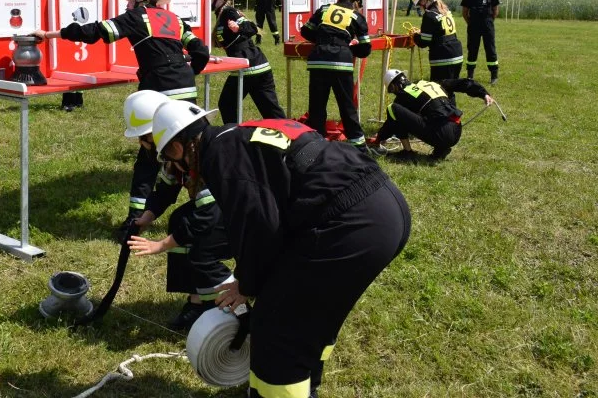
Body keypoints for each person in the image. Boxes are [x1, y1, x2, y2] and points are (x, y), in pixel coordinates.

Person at [151, 102, 411, 398]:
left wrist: (246, 284)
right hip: (383, 205)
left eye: (170, 159)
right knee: (312, 315)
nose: (177, 170)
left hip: (350, 223)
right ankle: (303, 383)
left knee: (276, 329)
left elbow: (258, 225)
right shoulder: (238, 134)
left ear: (176, 148)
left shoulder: (219, 157)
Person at [32, 0, 210, 239]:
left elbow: (92, 32)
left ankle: (133, 223)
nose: (126, 4)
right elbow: (201, 51)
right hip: (186, 89)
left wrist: (48, 34)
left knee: (149, 157)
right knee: (191, 148)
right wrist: (188, 73)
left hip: (159, 91)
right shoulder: (174, 19)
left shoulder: (136, 17)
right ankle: (207, 207)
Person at [122, 92, 233, 329]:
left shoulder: (202, 154)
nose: (142, 145)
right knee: (180, 219)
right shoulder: (179, 152)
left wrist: (161, 245)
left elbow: (207, 216)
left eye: (143, 137)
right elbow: (165, 189)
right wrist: (147, 216)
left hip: (243, 214)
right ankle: (198, 301)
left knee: (202, 249)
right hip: (226, 209)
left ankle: (228, 304)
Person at [200, 0, 285, 123]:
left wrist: (238, 27)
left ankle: (234, 137)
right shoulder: (221, 14)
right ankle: (291, 137)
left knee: (227, 104)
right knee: (271, 112)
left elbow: (251, 27)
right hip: (255, 66)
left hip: (248, 67)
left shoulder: (229, 12)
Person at [299, 0, 372, 150]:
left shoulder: (324, 9)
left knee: (317, 107)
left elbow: (305, 31)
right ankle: (358, 147)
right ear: (355, 2)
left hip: (318, 60)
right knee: (346, 106)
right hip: (341, 63)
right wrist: (348, 47)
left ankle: (316, 146)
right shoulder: (356, 16)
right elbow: (366, 48)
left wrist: (321, 40)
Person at [368, 69, 495, 161]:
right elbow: (462, 83)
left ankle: (408, 152)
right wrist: (483, 93)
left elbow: (392, 122)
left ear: (394, 87)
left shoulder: (402, 97)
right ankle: (441, 149)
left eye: (392, 90)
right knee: (433, 117)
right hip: (456, 130)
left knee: (392, 109)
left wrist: (379, 138)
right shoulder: (432, 84)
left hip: (441, 133)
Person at [410, 0, 464, 100]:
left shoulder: (429, 15)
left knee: (439, 93)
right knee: (450, 91)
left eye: (419, 3)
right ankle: (453, 117)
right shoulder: (444, 9)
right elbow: (440, 31)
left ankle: (446, 117)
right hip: (456, 54)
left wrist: (414, 36)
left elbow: (424, 42)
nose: (420, 6)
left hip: (443, 58)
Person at [460, 0, 500, 84]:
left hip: (488, 25)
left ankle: (494, 76)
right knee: (472, 49)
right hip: (473, 26)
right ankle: (470, 76)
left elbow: (495, 10)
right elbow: (464, 12)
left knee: (490, 49)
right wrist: (471, 23)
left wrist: (489, 21)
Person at [60, 0, 92, 112]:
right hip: (68, 38)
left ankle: (79, 100)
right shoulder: (63, 0)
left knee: (82, 69)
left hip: (83, 38)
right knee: (68, 69)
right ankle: (68, 101)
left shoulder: (90, 1)